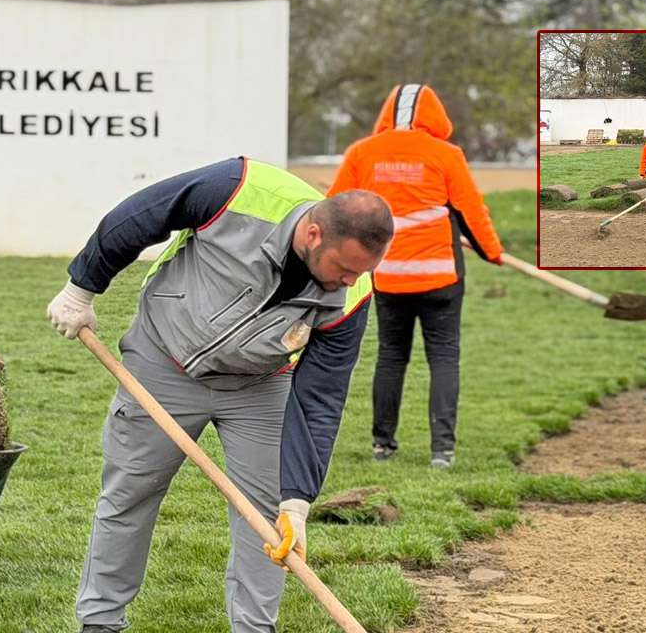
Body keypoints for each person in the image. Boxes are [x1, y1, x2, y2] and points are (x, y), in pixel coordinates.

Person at [46, 157, 394, 633]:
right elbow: (142, 215)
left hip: (261, 384)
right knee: (129, 494)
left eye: (363, 271)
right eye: (345, 267)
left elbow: (320, 400)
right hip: (163, 361)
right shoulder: (239, 188)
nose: (350, 281)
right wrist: (82, 288)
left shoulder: (351, 296)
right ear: (314, 234)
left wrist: (297, 499)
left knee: (268, 521)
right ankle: (101, 622)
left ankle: (254, 629)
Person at [327, 83, 503, 469]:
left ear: (387, 113)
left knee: (391, 357)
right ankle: (442, 450)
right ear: (435, 115)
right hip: (440, 277)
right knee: (444, 357)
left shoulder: (362, 153)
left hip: (387, 275)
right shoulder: (446, 154)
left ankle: (382, 444)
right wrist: (492, 252)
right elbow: (470, 210)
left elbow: (336, 208)